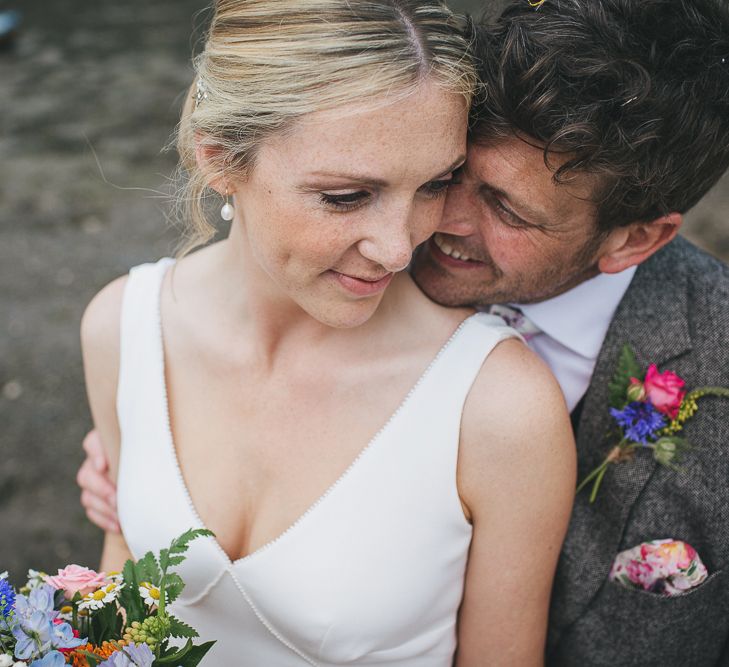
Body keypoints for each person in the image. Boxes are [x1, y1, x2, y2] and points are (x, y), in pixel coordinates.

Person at [80, 0, 729, 662]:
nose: (405, 244)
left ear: (635, 239)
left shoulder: (511, 396)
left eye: (505, 208)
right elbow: (119, 589)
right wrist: (144, 481)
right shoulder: (128, 323)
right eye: (450, 179)